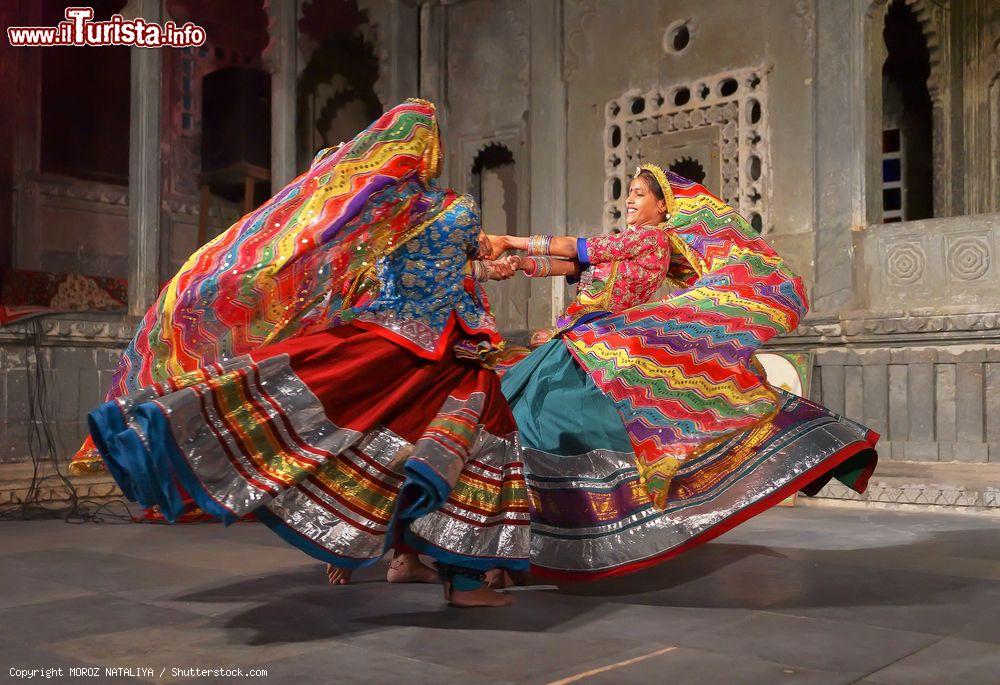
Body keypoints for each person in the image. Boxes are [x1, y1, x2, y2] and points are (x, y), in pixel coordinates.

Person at [87, 100, 528, 607]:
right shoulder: (457, 208)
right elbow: (461, 258)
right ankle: (464, 580)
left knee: (384, 437)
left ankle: (406, 559)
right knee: (474, 437)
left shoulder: (376, 209)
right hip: (441, 351)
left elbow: (407, 261)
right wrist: (501, 257)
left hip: (386, 339)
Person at [493, 164, 879, 580]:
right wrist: (513, 263)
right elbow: (570, 266)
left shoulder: (652, 239)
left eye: (639, 193)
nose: (630, 200)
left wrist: (511, 240)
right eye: (630, 193)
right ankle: (512, 538)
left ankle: (528, 538)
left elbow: (576, 247)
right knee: (521, 413)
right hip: (577, 340)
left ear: (662, 206)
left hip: (603, 348)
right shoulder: (625, 244)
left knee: (548, 423)